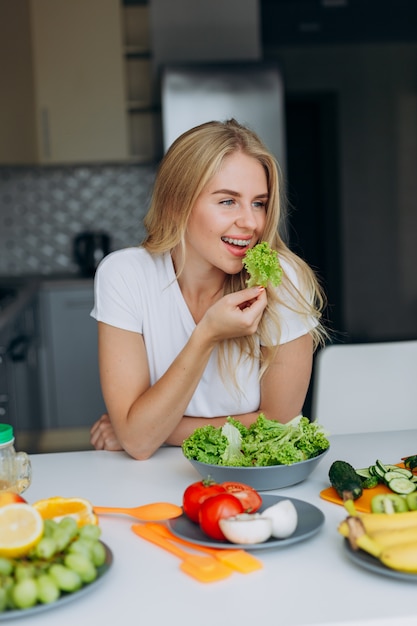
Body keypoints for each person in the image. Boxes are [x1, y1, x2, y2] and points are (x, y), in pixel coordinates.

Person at [89, 118, 327, 460]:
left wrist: (151, 429)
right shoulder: (124, 275)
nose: (250, 223)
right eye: (228, 201)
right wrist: (206, 336)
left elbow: (279, 425)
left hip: (252, 477)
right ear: (177, 203)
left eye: (258, 203)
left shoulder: (281, 278)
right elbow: (139, 445)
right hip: (149, 481)